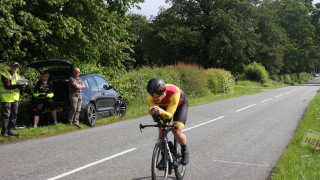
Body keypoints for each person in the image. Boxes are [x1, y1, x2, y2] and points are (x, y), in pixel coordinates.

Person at [146, 77, 189, 167]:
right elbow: (155, 114)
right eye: (153, 96)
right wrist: (153, 113)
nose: (155, 98)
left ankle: (184, 150)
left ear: (163, 92)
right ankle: (164, 157)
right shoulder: (150, 96)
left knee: (176, 131)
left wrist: (161, 112)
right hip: (163, 107)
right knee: (161, 131)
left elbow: (169, 115)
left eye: (157, 96)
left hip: (179, 105)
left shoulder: (174, 93)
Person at [0, 62, 28, 137]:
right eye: (14, 66)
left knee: (14, 115)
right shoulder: (4, 75)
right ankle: (4, 132)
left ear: (18, 68)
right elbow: (7, 86)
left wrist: (23, 85)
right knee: (6, 115)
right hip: (6, 98)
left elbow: (20, 88)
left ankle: (10, 130)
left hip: (15, 98)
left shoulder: (18, 76)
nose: (15, 68)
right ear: (10, 67)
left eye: (17, 67)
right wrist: (18, 85)